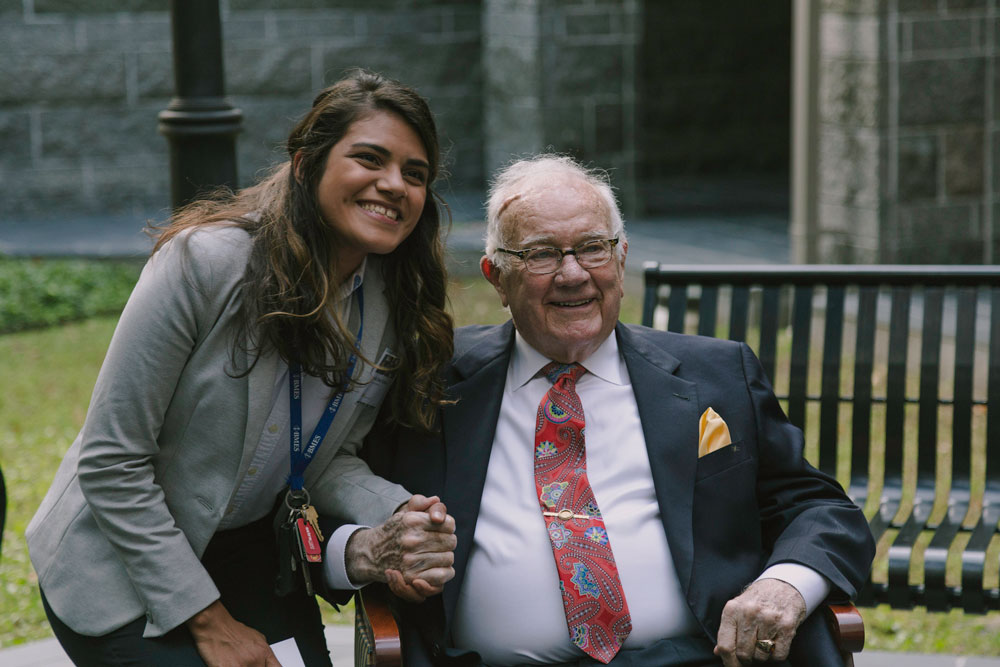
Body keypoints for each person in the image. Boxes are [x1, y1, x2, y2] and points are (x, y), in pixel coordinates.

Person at [364, 154, 876, 667]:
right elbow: (338, 498)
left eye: (592, 248)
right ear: (496, 277)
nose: (572, 274)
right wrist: (372, 551)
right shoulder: (427, 378)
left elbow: (820, 508)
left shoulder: (717, 373)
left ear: (622, 259)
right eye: (541, 254)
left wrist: (785, 585)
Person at [26, 70, 458, 667]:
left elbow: (328, 462)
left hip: (245, 554)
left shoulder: (385, 302)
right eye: (370, 159)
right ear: (307, 166)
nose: (395, 185)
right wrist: (210, 623)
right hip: (119, 559)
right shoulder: (202, 263)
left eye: (415, 173)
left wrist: (400, 511)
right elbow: (111, 462)